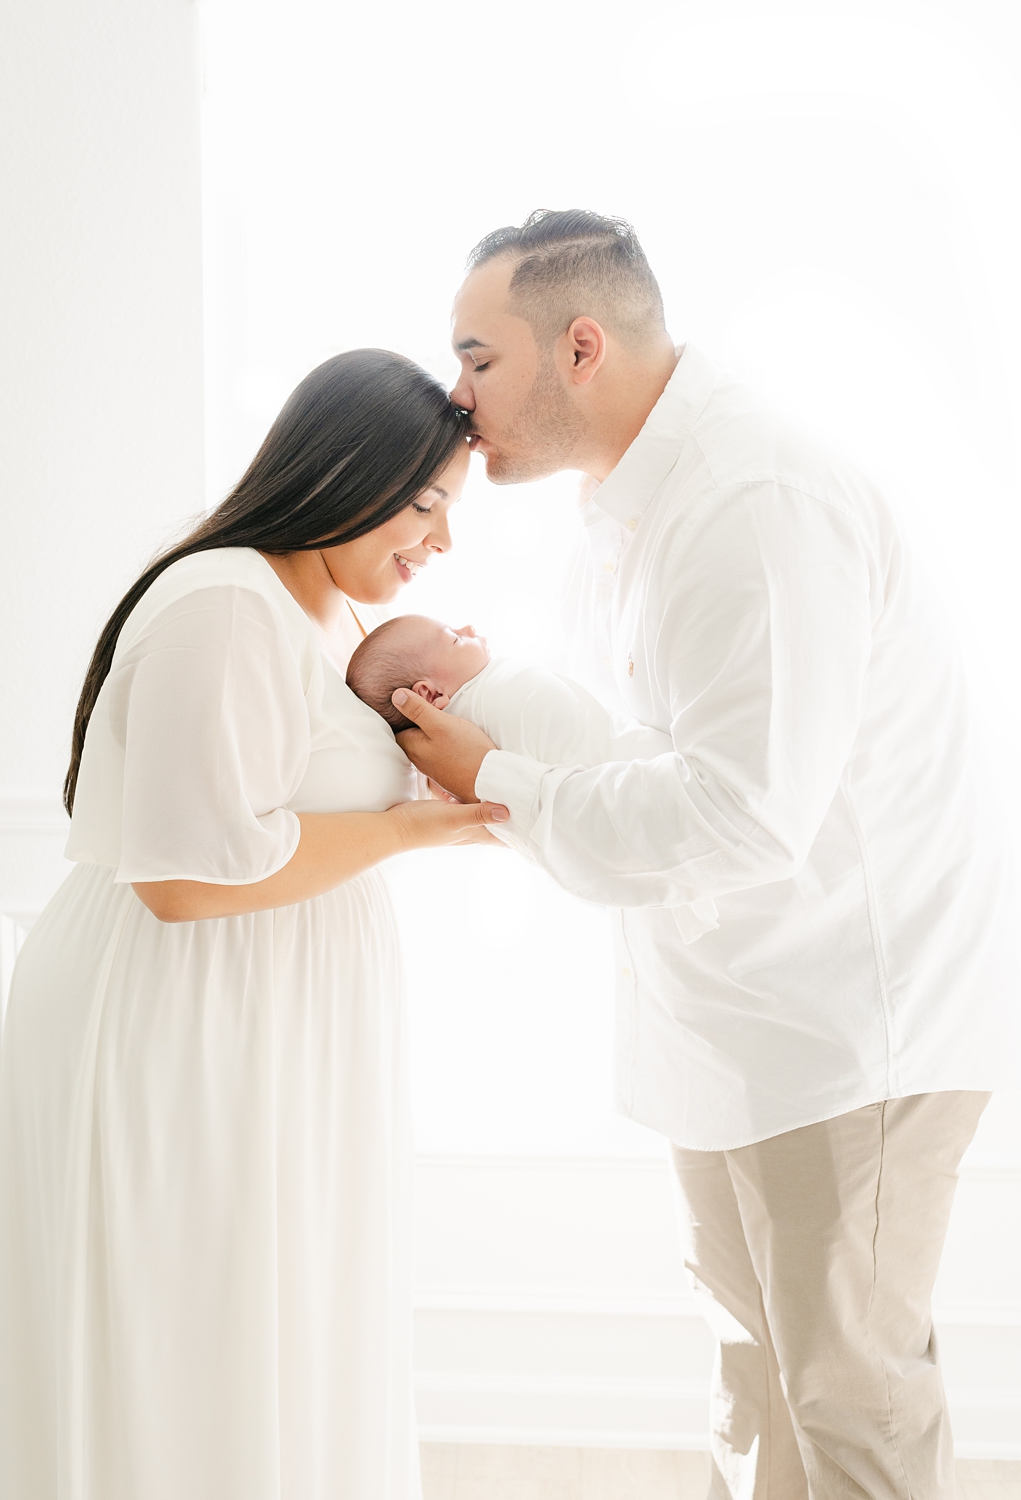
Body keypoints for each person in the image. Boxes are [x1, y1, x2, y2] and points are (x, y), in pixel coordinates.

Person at [394, 210, 1018, 1499]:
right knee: (759, 1388)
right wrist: (487, 716)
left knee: (849, 1403)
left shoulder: (751, 501)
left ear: (580, 346)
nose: (456, 400)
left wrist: (496, 779)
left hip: (847, 1034)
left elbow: (740, 817)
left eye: (476, 358)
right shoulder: (631, 511)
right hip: (737, 1027)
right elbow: (646, 752)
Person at [0, 349, 508, 1500]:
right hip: (181, 1011)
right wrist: (427, 833)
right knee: (190, 1332)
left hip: (264, 1014)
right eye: (423, 503)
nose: (439, 539)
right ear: (341, 469)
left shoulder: (324, 613)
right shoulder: (227, 600)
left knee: (271, 1323)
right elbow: (181, 881)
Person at [346, 611, 717, 940]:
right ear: (429, 694)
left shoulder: (473, 721)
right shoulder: (485, 708)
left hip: (645, 776)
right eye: (455, 638)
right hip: (646, 778)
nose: (469, 626)